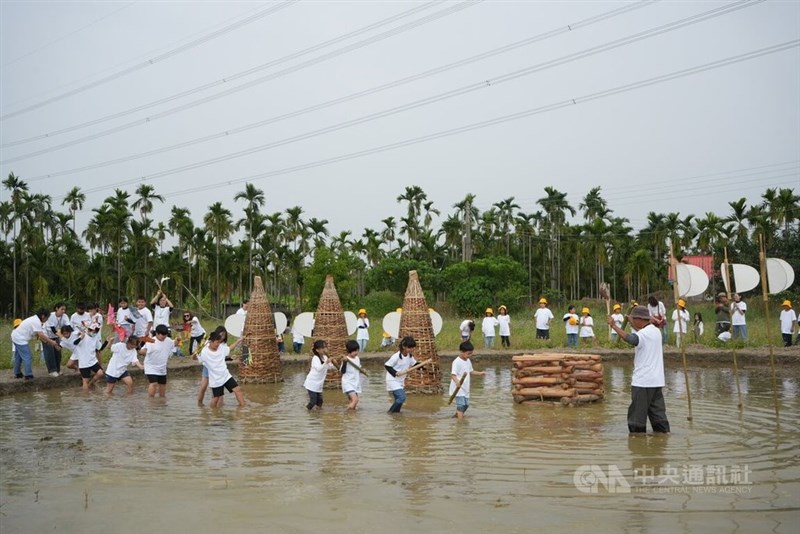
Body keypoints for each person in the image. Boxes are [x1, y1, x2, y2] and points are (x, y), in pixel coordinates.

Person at [607, 306, 670, 434]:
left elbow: (631, 339)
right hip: (656, 382)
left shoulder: (644, 334)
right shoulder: (656, 331)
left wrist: (614, 326)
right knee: (658, 414)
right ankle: (664, 435)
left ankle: (637, 441)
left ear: (640, 319)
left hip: (643, 382)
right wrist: (631, 322)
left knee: (637, 417)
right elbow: (641, 333)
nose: (633, 322)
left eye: (634, 320)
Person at [195, 330, 245, 408]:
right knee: (216, 398)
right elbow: (196, 358)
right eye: (217, 342)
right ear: (211, 341)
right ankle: (213, 412)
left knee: (237, 390)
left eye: (219, 342)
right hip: (216, 379)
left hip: (225, 375)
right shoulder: (204, 352)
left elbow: (229, 348)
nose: (218, 344)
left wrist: (238, 341)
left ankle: (243, 408)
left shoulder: (221, 348)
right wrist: (196, 353)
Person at [12, 309, 59, 380]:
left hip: (16, 336)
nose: (47, 320)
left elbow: (38, 334)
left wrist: (47, 342)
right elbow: (41, 334)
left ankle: (17, 373)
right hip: (20, 339)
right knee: (28, 357)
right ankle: (28, 375)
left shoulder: (34, 319)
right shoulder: (36, 321)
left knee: (18, 356)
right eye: (47, 318)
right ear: (43, 316)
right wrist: (51, 341)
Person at [449, 341, 486, 420]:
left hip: (465, 387)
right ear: (462, 352)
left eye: (471, 353)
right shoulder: (456, 362)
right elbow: (453, 375)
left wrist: (479, 373)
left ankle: (457, 415)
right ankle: (460, 421)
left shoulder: (468, 361)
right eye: (468, 353)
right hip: (458, 388)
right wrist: (457, 382)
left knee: (466, 405)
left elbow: (471, 371)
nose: (470, 355)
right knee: (461, 405)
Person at [384, 336, 420, 414]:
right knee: (401, 398)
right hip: (392, 379)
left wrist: (422, 366)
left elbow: (415, 364)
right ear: (404, 347)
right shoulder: (396, 356)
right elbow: (387, 365)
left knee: (399, 401)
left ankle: (396, 415)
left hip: (400, 380)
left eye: (413, 348)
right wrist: (395, 372)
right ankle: (390, 412)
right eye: (410, 348)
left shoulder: (409, 356)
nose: (412, 349)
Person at [140, 324, 175, 398]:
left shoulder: (168, 340)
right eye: (162, 335)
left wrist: (178, 340)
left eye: (165, 335)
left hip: (162, 367)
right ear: (157, 333)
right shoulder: (151, 341)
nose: (164, 337)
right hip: (151, 366)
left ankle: (162, 400)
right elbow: (142, 351)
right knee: (154, 383)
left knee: (163, 384)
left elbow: (174, 344)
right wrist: (143, 351)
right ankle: (151, 400)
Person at [303, 340, 336, 410]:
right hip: (312, 383)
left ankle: (318, 414)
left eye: (325, 347)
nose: (325, 349)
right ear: (317, 350)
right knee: (313, 402)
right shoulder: (315, 358)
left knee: (320, 402)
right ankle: (306, 411)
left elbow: (330, 367)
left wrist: (334, 364)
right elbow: (319, 369)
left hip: (319, 384)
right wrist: (326, 363)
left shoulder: (325, 357)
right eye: (323, 348)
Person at [43, 302, 69, 376]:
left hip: (56, 336)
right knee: (50, 353)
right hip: (47, 336)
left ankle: (58, 369)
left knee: (58, 353)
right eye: (62, 309)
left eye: (64, 309)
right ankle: (52, 371)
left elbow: (68, 327)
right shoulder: (50, 316)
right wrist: (63, 338)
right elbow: (53, 330)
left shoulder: (65, 316)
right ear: (56, 308)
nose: (63, 311)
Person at [341, 340, 363, 410]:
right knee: (355, 400)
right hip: (348, 383)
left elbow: (358, 368)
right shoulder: (346, 359)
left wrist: (362, 370)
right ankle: (346, 414)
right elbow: (342, 371)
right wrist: (344, 363)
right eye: (354, 351)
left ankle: (351, 418)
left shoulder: (357, 358)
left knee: (353, 402)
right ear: (349, 351)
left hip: (355, 383)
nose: (356, 353)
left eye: (357, 350)